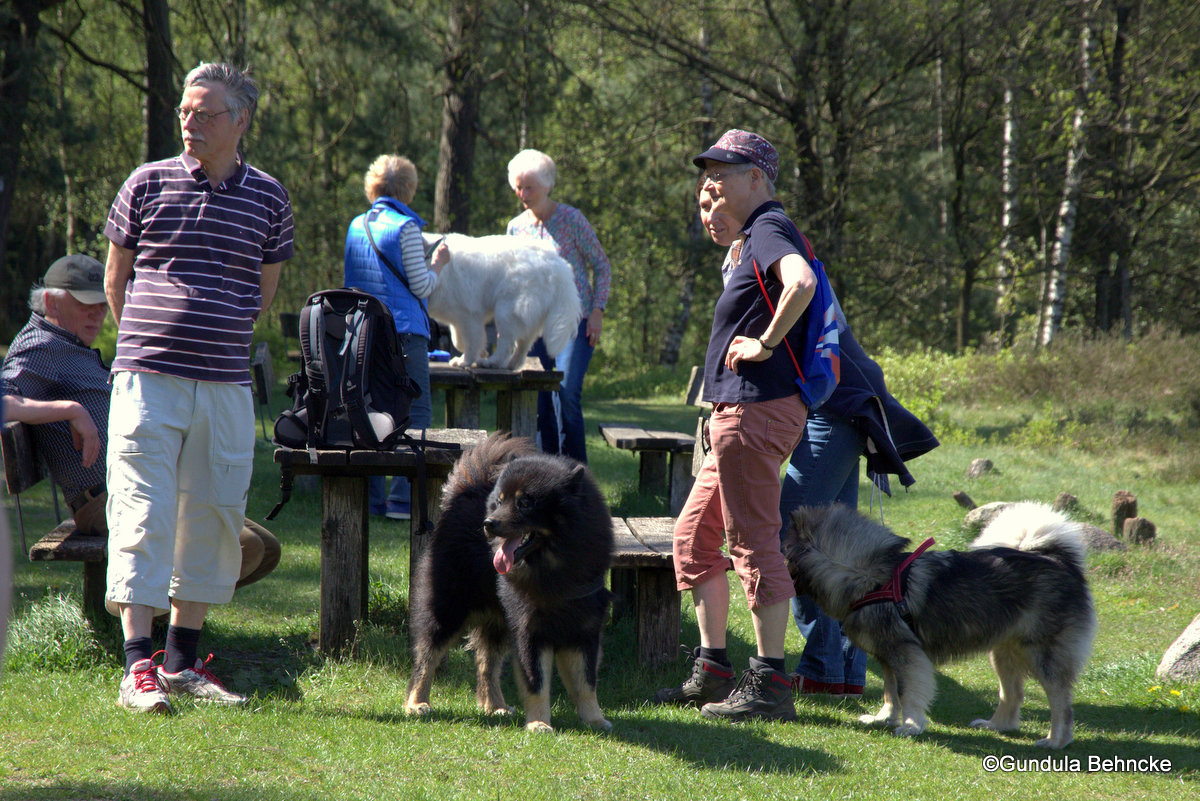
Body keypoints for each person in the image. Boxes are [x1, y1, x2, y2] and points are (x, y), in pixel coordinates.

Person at [102, 62, 294, 714]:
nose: (191, 123)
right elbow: (115, 279)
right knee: (142, 508)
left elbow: (263, 294)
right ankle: (138, 668)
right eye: (186, 111)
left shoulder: (269, 197)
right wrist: (145, 345)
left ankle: (183, 662)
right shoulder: (146, 182)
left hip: (224, 383)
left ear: (240, 121)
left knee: (213, 515)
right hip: (147, 378)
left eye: (206, 113)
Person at [653, 129, 821, 722]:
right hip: (735, 414)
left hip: (756, 410)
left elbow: (801, 283)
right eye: (706, 179)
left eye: (722, 176)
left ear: (757, 177)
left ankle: (771, 682)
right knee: (694, 538)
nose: (711, 186)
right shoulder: (751, 240)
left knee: (751, 543)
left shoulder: (771, 227)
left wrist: (766, 344)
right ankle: (714, 669)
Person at [0, 256, 281, 591]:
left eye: (102, 304)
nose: (98, 313)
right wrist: (72, 409)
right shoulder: (41, 346)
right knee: (242, 546)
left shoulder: (68, 346)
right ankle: (150, 623)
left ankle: (160, 616)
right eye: (85, 304)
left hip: (135, 484)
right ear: (50, 301)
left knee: (264, 547)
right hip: (103, 499)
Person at [343, 154, 447, 519]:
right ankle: (403, 498)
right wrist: (438, 265)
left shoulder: (356, 225)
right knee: (415, 411)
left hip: (363, 331)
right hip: (403, 332)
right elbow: (420, 287)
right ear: (408, 188)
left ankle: (370, 499)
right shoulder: (406, 228)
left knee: (366, 409)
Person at [505, 149, 611, 463]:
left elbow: (601, 266)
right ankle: (548, 475)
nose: (523, 194)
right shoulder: (515, 227)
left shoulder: (571, 219)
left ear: (547, 185)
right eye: (519, 187)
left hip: (573, 322)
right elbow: (511, 279)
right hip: (532, 327)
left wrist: (597, 311)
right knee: (538, 401)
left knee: (566, 394)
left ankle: (577, 477)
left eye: (530, 187)